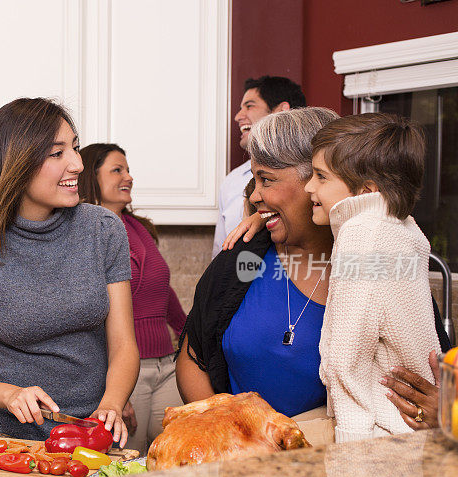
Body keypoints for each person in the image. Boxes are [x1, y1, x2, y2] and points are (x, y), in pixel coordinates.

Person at [0, 98, 139, 445]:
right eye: (57, 153)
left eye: (74, 148)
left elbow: (123, 345)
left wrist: (111, 405)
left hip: (93, 437)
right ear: (17, 163)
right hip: (9, 443)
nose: (77, 163)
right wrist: (10, 395)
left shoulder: (103, 230)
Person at [177, 107, 340, 420]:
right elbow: (193, 351)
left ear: (319, 181)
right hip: (238, 458)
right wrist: (223, 429)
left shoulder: (367, 269)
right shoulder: (248, 257)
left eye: (266, 180)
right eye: (254, 181)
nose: (254, 196)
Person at [305, 113, 440, 442]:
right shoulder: (404, 229)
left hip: (378, 433)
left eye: (321, 177)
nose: (309, 186)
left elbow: (347, 359)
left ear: (366, 190)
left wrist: (351, 451)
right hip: (412, 428)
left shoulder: (362, 236)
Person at [79, 143, 185, 453]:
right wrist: (115, 391)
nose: (129, 177)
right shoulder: (85, 233)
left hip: (166, 365)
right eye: (117, 170)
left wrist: (191, 338)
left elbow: (163, 292)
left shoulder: (139, 228)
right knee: (126, 462)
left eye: (128, 170)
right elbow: (91, 312)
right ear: (91, 178)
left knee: (172, 457)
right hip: (127, 370)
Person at [212, 76, 306, 258]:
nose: (238, 116)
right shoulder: (232, 181)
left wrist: (261, 217)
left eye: (249, 106)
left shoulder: (313, 173)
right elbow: (219, 255)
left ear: (281, 111)